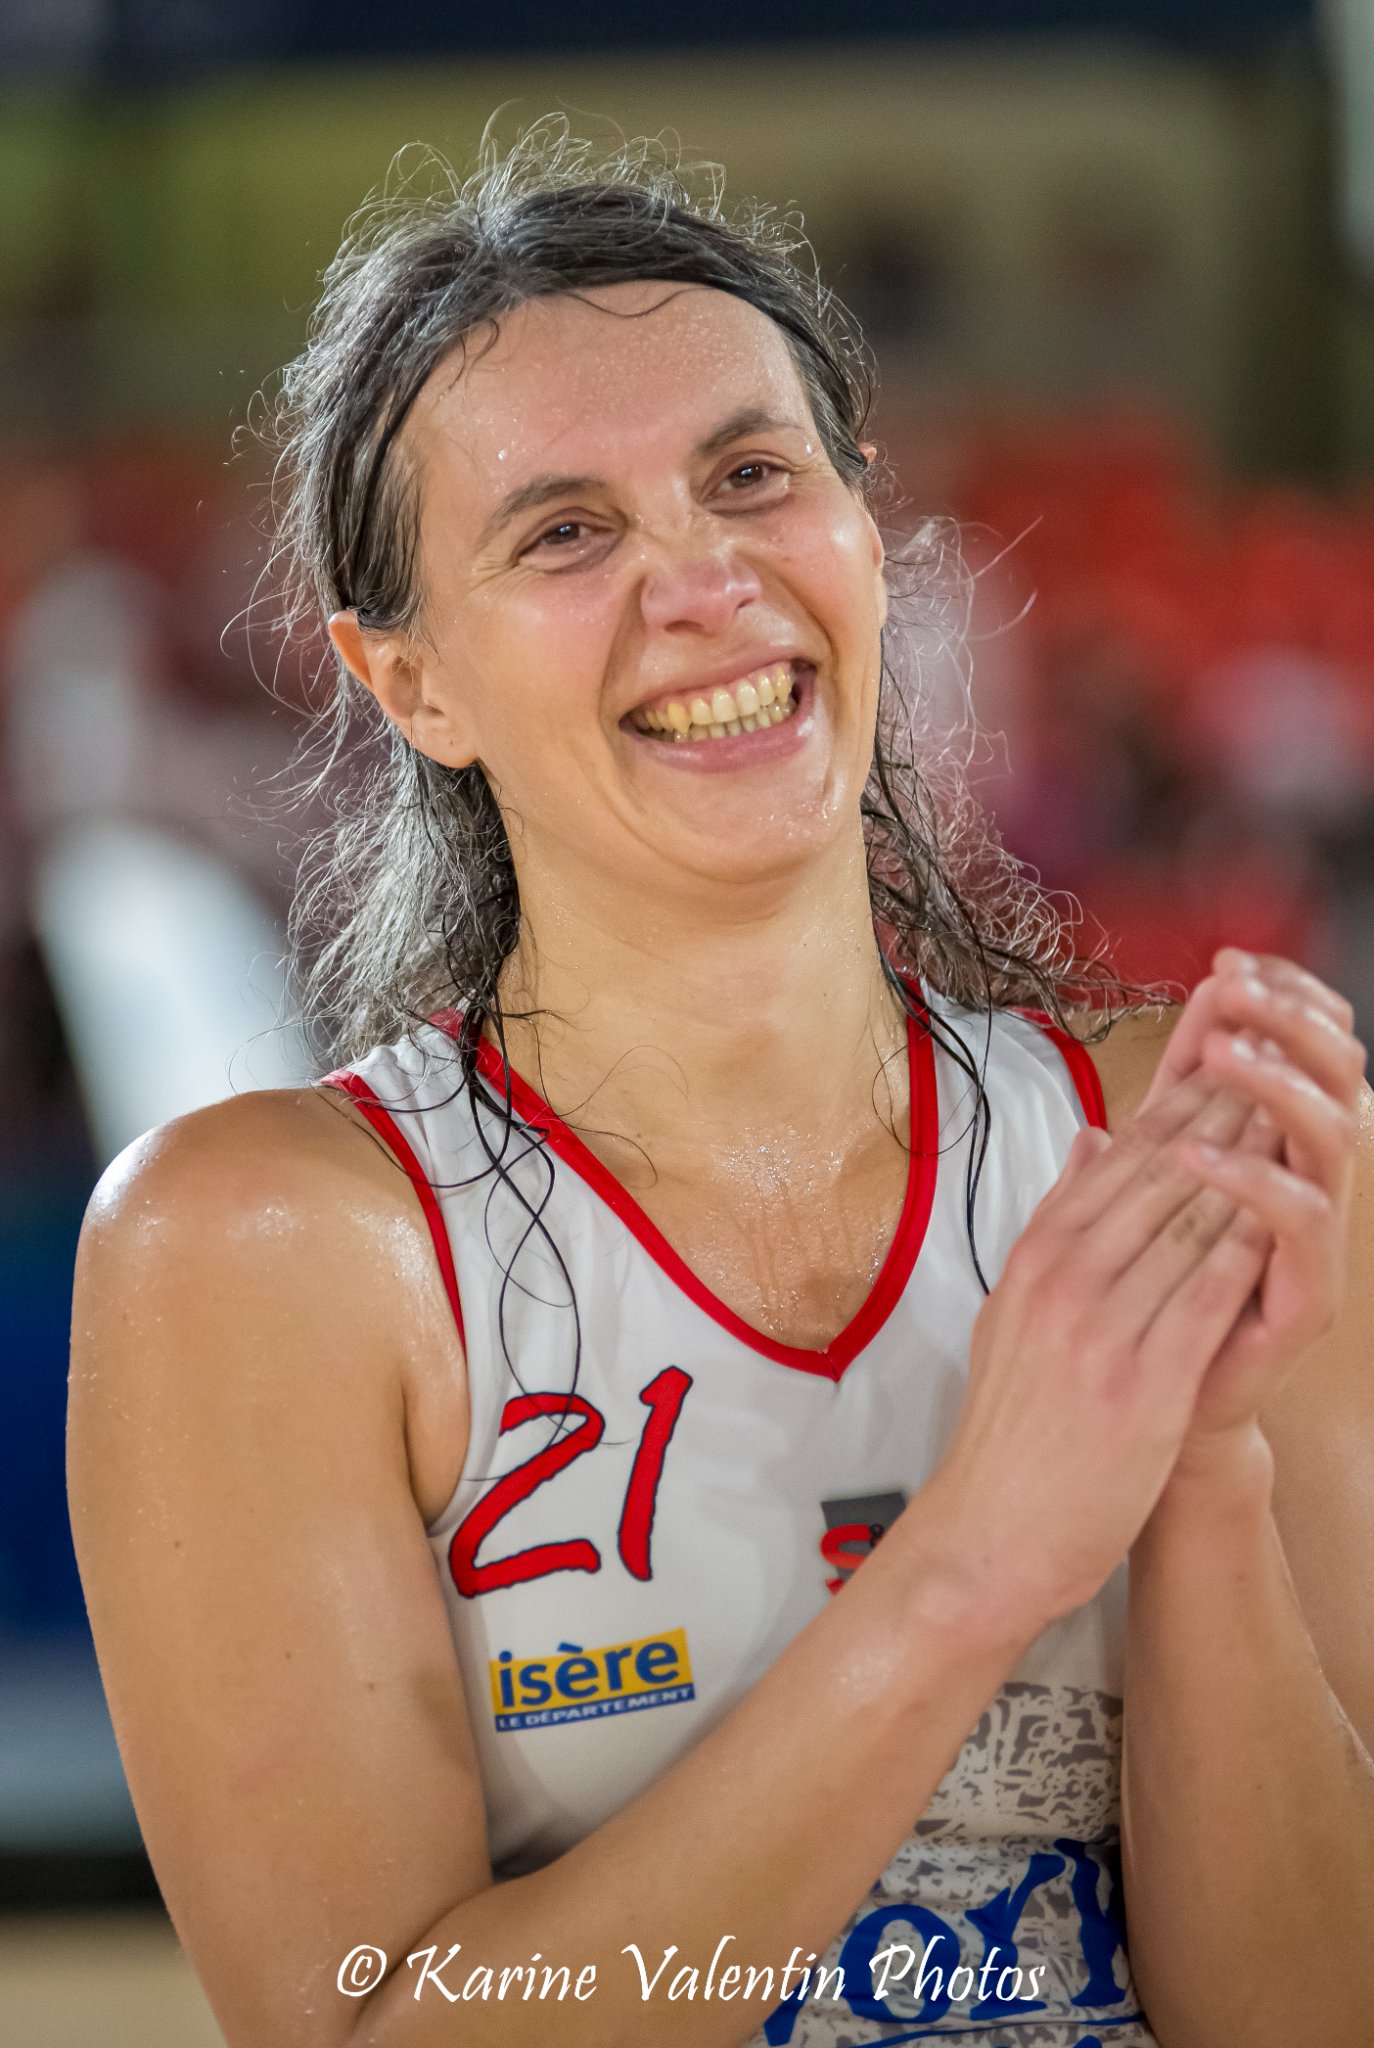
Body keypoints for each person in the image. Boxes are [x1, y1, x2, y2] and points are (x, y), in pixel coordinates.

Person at [67, 131, 1374, 2048]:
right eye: (563, 530)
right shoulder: (262, 1245)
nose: (702, 579)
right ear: (404, 681)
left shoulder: (1167, 1139)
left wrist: (1192, 1469)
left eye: (753, 475)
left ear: (863, 536)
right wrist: (974, 1565)